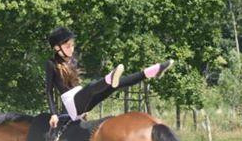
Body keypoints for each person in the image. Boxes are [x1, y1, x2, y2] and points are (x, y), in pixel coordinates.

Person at [45, 27, 173, 128]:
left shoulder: (73, 60)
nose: (72, 49)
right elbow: (49, 91)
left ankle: (149, 72)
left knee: (115, 86)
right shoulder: (51, 64)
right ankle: (109, 77)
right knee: (91, 87)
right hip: (70, 104)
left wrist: (84, 107)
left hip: (82, 101)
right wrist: (54, 114)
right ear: (57, 48)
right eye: (68, 46)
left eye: (73, 45)